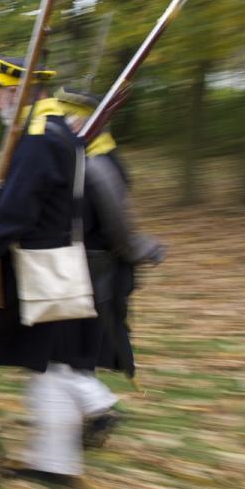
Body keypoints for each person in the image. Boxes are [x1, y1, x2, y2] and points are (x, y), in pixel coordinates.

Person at [0, 55, 104, 483]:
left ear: (17, 92)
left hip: (31, 268)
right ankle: (54, 465)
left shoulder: (38, 138)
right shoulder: (62, 132)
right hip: (53, 263)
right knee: (50, 363)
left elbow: (16, 216)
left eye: (0, 94)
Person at [55, 86, 166, 446]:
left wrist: (139, 248)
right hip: (88, 267)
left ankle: (97, 409)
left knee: (73, 347)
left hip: (95, 269)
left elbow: (117, 226)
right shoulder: (88, 158)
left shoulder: (99, 164)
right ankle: (87, 416)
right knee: (77, 347)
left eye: (68, 118)